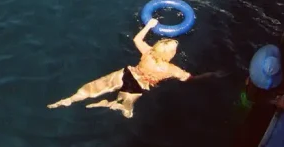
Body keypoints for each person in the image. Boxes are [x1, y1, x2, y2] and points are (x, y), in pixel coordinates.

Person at [47, 18, 192, 117]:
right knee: (126, 110)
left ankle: (70, 99)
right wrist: (210, 76)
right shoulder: (171, 69)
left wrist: (149, 25)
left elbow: (137, 39)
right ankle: (110, 104)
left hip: (126, 74)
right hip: (138, 85)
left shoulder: (148, 52)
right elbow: (188, 78)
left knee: (93, 87)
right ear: (170, 54)